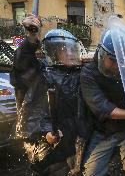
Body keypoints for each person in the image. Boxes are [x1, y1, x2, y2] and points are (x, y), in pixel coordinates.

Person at [11, 14, 90, 175]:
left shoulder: (79, 73)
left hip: (72, 142)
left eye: (71, 49)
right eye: (63, 50)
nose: (69, 53)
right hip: (49, 146)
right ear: (54, 52)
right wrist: (32, 37)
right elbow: (22, 65)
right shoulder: (42, 73)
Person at [81, 29, 125, 176]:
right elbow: (103, 109)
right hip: (103, 131)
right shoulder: (88, 73)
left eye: (123, 62)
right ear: (102, 54)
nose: (117, 67)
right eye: (114, 61)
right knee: (91, 172)